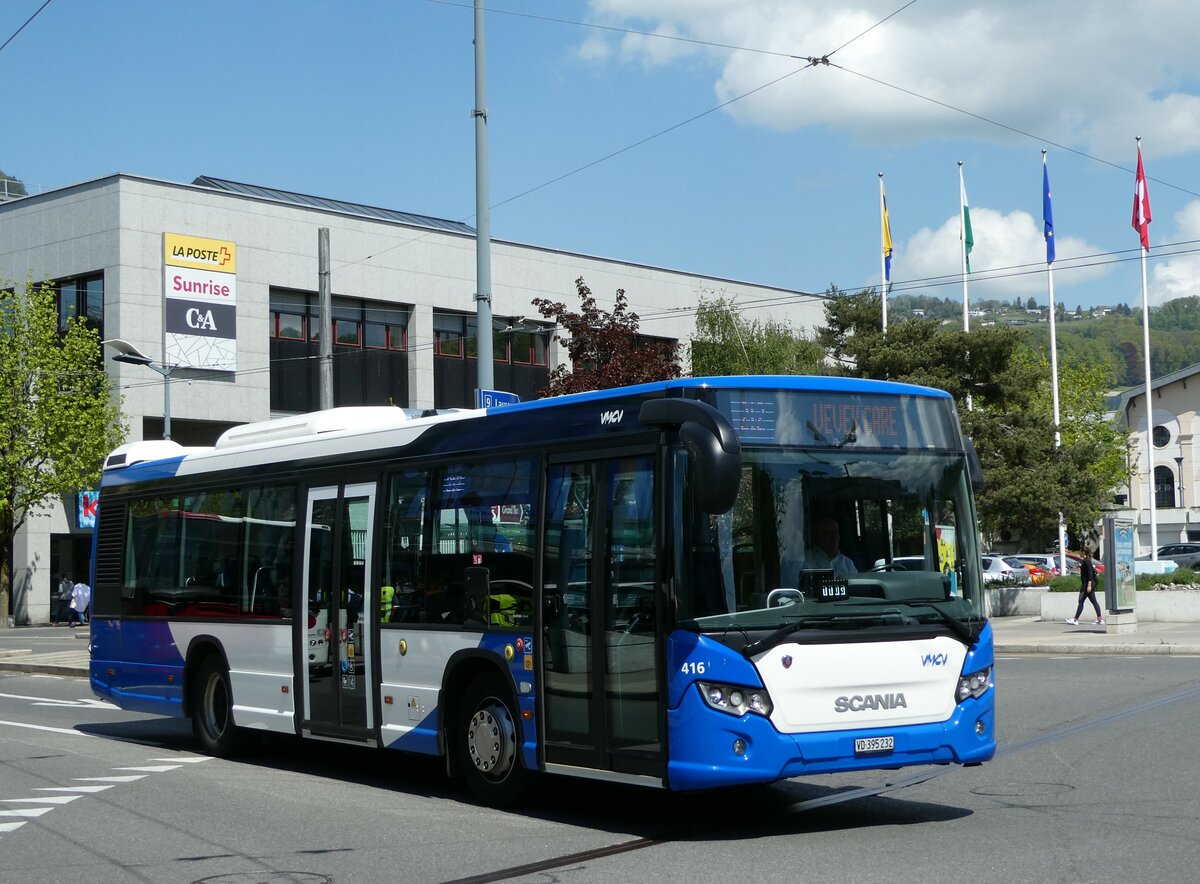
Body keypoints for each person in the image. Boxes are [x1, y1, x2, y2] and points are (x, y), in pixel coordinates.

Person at [802, 515, 856, 579]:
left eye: (836, 532)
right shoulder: (805, 561)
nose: (834, 537)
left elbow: (857, 587)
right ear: (817, 537)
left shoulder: (848, 563)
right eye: (827, 533)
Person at [1065, 550, 1103, 626]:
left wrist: (1089, 585)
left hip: (1086, 585)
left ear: (1084, 553)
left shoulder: (1087, 561)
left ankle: (1075, 619)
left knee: (1081, 601)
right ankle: (1100, 619)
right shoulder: (1085, 561)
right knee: (1094, 601)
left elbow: (1090, 574)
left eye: (1081, 552)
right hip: (1087, 585)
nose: (1080, 553)